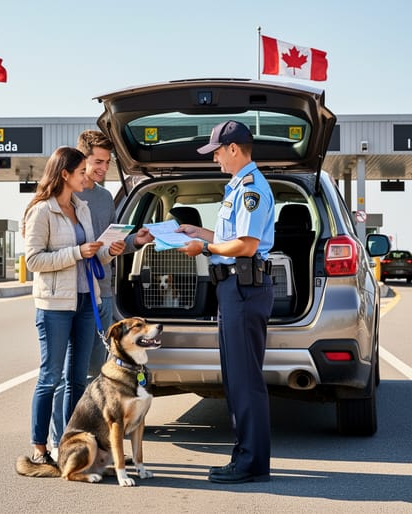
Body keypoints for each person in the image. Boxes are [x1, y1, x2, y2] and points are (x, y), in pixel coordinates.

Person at [176, 120, 275, 484]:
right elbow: (229, 238)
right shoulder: (237, 188)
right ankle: (246, 457)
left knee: (245, 380)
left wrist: (204, 247)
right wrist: (197, 232)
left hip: (243, 289)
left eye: (217, 151)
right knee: (237, 379)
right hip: (234, 290)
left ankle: (250, 463)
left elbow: (246, 246)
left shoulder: (250, 188)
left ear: (234, 149)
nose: (215, 158)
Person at [48, 129, 153, 452]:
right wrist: (83, 250)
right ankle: (59, 440)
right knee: (68, 376)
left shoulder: (106, 197)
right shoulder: (63, 197)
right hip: (70, 294)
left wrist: (134, 241)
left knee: (96, 372)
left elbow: (111, 245)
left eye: (107, 163)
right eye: (96, 162)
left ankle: (94, 440)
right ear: (81, 160)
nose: (101, 169)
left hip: (102, 292)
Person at [22, 146, 126, 464]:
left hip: (84, 301)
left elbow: (91, 255)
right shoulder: (41, 211)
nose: (88, 176)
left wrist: (110, 251)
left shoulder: (80, 207)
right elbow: (33, 260)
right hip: (54, 305)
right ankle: (40, 448)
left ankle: (70, 441)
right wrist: (77, 252)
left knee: (78, 379)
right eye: (82, 171)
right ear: (64, 174)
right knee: (50, 376)